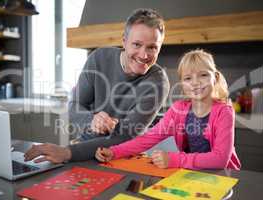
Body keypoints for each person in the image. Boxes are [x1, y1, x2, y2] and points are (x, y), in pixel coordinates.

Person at [24, 8, 170, 163]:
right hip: (83, 148)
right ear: (124, 42)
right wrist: (91, 120)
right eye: (137, 44)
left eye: (152, 47)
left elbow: (127, 137)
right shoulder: (99, 58)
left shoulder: (158, 82)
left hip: (122, 155)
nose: (144, 55)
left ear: (159, 47)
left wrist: (68, 153)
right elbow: (74, 106)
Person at [95, 49, 241, 170]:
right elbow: (147, 139)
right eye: (188, 78)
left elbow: (220, 159)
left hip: (223, 176)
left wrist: (174, 160)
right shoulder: (178, 110)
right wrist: (114, 152)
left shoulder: (224, 112)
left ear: (214, 78)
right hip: (193, 174)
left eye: (203, 75)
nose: (195, 83)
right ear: (182, 83)